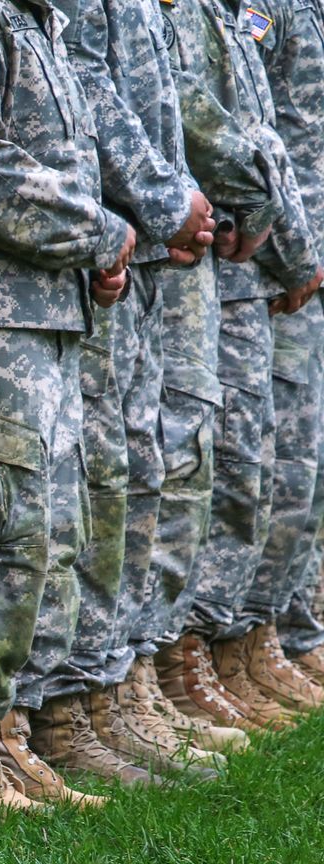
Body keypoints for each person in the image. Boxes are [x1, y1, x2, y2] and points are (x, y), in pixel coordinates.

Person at [0, 0, 139, 812]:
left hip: (44, 308)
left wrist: (100, 251)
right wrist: (101, 234)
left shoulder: (34, 21)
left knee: (49, 532)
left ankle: (7, 732)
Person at [24, 0, 232, 784]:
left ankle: (116, 684)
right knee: (95, 480)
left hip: (135, 248)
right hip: (101, 244)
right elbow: (86, 88)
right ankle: (70, 701)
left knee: (138, 471)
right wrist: (160, 200)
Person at [165, 0, 319, 729]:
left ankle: (253, 639)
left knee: (281, 463)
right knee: (226, 463)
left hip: (277, 258)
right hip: (235, 261)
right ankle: (196, 649)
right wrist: (292, 247)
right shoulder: (249, 9)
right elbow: (222, 134)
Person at [241, 0, 324, 706]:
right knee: (275, 464)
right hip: (276, 274)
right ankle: (249, 640)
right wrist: (291, 251)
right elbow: (245, 134)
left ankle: (288, 629)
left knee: (308, 468)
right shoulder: (268, 8)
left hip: (308, 266)